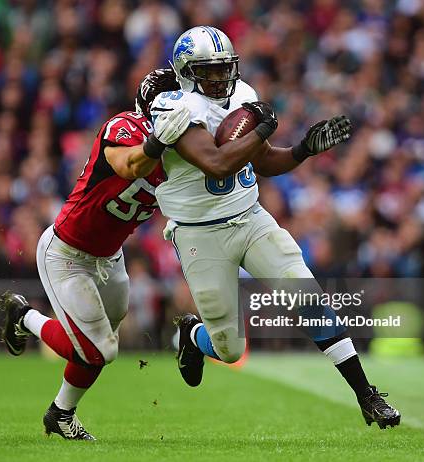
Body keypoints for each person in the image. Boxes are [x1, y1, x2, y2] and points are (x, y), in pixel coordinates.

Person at [151, 26, 400, 429]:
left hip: (250, 217)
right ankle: (192, 335)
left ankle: (367, 395)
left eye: (223, 69)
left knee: (306, 292)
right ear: (185, 72)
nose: (219, 79)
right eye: (207, 71)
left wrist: (302, 150)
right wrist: (263, 128)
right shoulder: (173, 106)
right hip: (199, 233)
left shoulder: (243, 96)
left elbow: (262, 161)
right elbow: (216, 162)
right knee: (230, 350)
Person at [0, 68, 190, 440]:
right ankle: (25, 317)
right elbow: (129, 165)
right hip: (67, 252)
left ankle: (61, 413)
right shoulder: (125, 126)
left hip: (110, 256)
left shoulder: (180, 148)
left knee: (106, 335)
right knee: (100, 349)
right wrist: (158, 143)